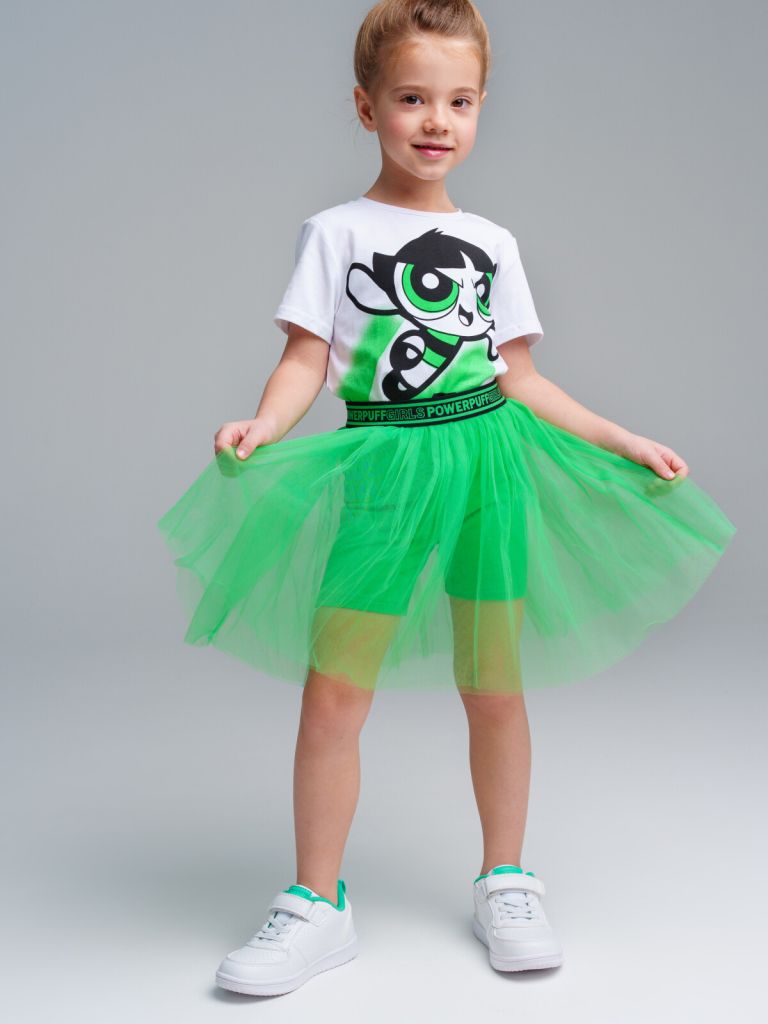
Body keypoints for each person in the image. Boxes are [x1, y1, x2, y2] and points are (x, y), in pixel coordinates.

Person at [156, 0, 737, 997]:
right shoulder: (336, 232)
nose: (437, 121)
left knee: (493, 683)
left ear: (480, 108)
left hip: (489, 467)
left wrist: (621, 437)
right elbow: (304, 358)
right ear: (365, 106)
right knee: (335, 691)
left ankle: (506, 878)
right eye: (412, 98)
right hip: (385, 469)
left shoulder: (492, 242)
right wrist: (266, 423)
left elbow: (521, 378)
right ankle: (316, 901)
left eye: (460, 101)